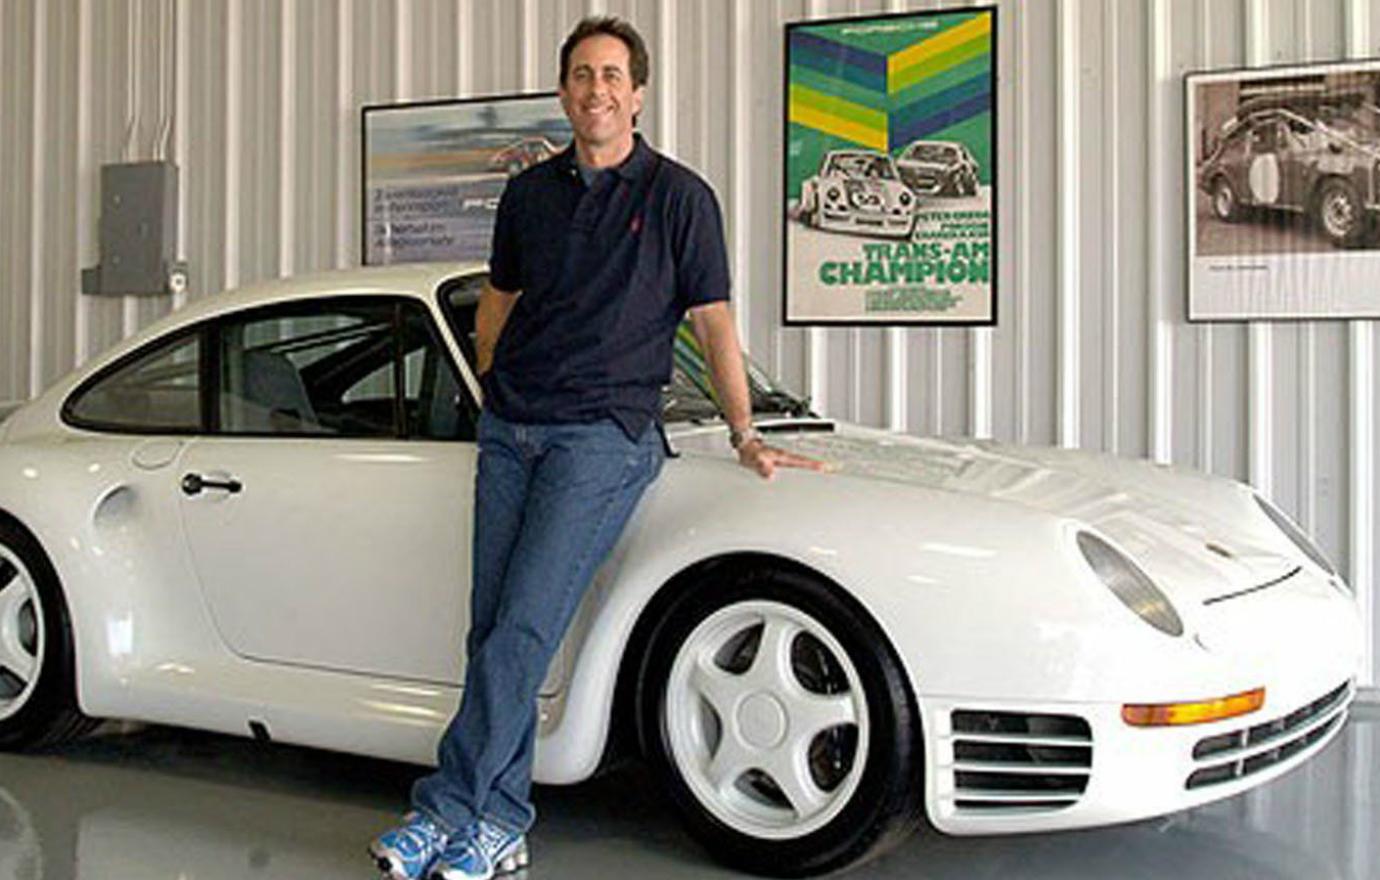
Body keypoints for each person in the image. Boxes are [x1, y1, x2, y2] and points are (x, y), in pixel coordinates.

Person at [369, 16, 825, 880]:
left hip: (603, 439)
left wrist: (744, 429)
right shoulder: (530, 195)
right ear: (564, 91)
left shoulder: (681, 197)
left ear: (638, 94)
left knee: (522, 631)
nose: (597, 89)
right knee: (491, 634)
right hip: (512, 432)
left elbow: (714, 321)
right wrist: (497, 377)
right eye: (582, 75)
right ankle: (498, 825)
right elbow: (498, 301)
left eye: (612, 75)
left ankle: (448, 810)